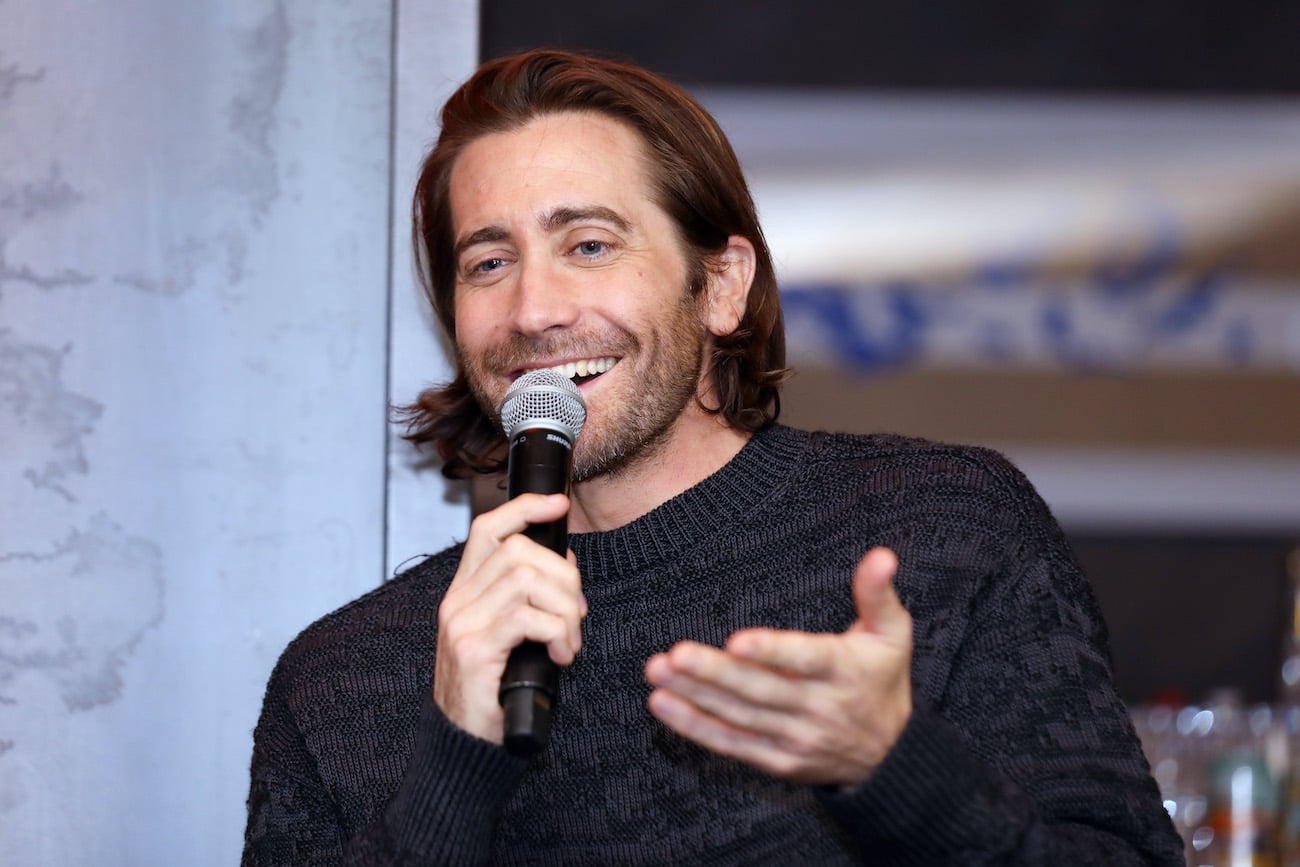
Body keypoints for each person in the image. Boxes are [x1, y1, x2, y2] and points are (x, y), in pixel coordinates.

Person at [242, 49, 1185, 865]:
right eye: (489, 262)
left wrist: (895, 768)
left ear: (721, 285)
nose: (534, 309)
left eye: (588, 244)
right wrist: (454, 767)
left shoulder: (945, 532)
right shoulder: (343, 677)